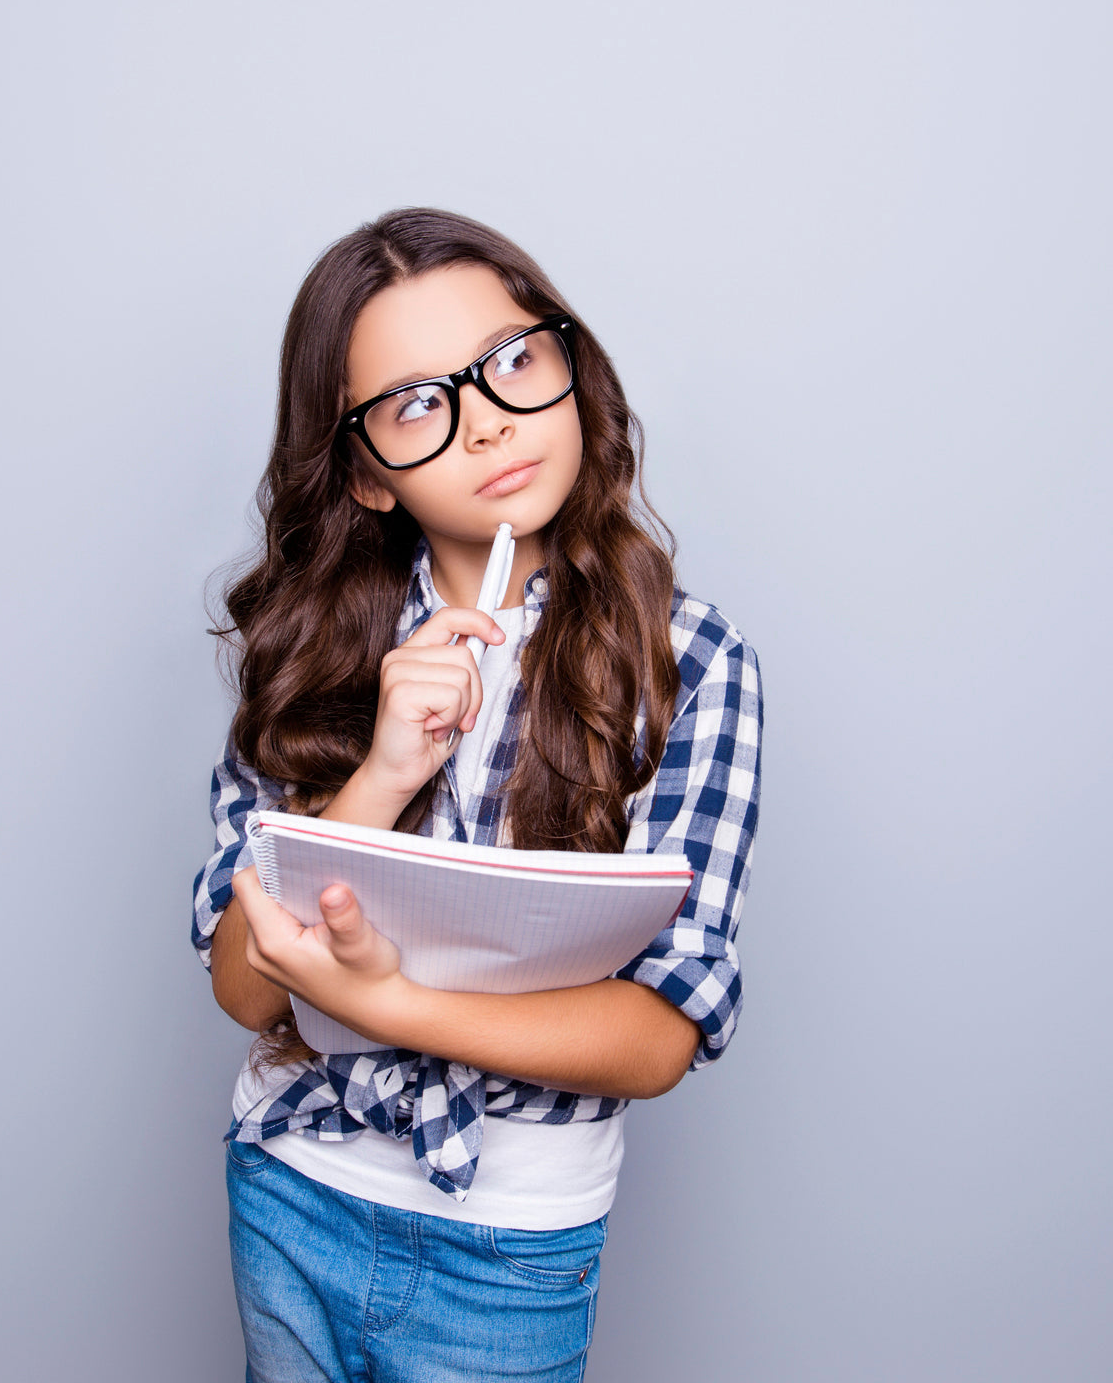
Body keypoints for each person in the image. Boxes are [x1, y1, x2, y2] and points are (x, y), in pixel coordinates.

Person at [192, 208, 762, 1382]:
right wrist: (384, 770)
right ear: (363, 471)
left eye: (511, 359)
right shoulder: (316, 651)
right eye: (415, 402)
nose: (488, 419)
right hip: (292, 1184)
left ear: (569, 366)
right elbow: (246, 985)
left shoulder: (687, 662)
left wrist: (391, 1004)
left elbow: (658, 1034)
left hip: (504, 1240)